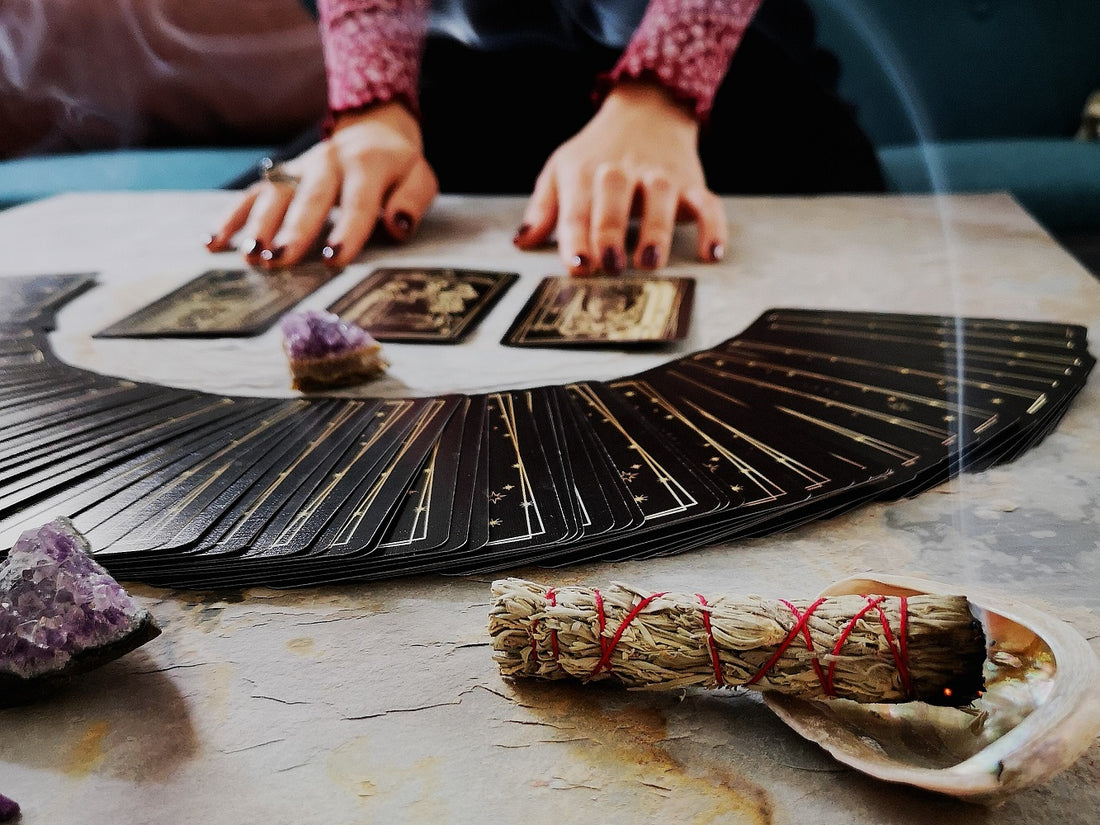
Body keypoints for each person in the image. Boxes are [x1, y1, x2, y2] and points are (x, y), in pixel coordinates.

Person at [206, 0, 883, 276]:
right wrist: (371, 109)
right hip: (461, 96)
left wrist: (663, 91)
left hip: (741, 99)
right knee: (242, 237)